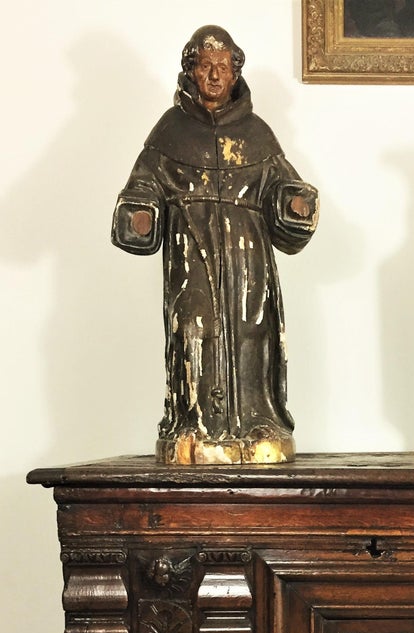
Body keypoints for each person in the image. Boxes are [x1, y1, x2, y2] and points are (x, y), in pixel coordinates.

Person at [112, 25, 318, 464]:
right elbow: (143, 187)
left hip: (249, 261)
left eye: (223, 67)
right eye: (205, 66)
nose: (214, 75)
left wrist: (296, 203)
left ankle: (260, 420)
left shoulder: (257, 133)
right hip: (193, 257)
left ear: (235, 72)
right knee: (194, 331)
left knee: (253, 331)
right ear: (191, 70)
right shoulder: (169, 131)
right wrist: (142, 212)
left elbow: (282, 188)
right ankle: (192, 421)